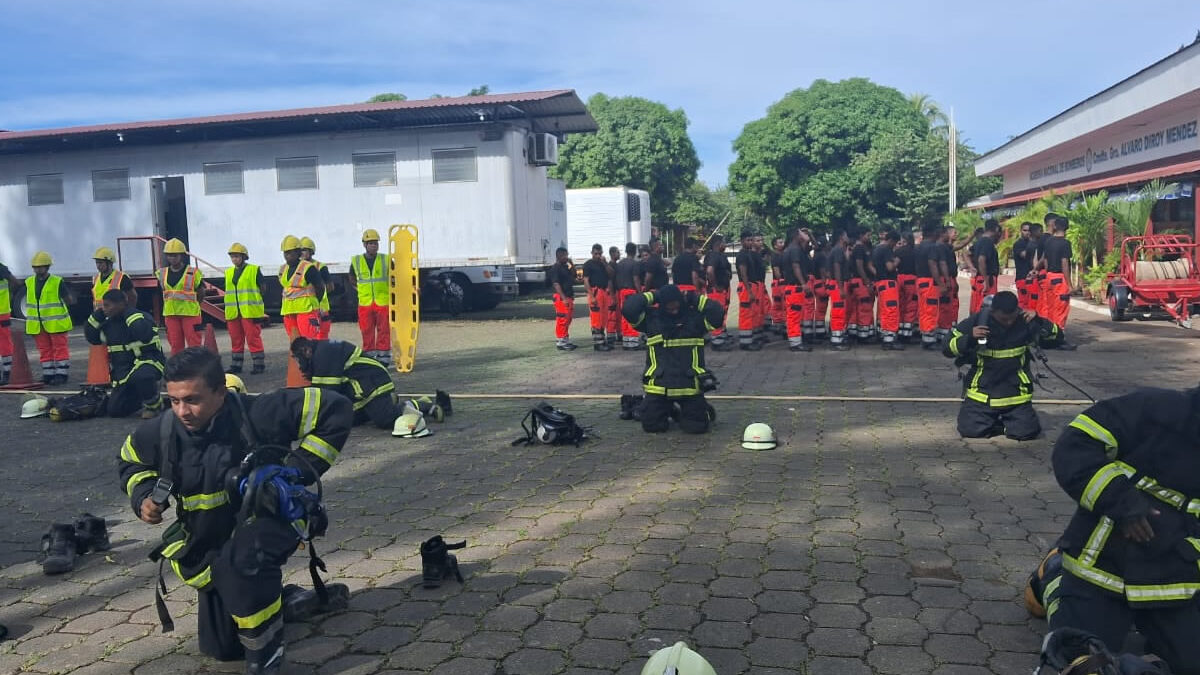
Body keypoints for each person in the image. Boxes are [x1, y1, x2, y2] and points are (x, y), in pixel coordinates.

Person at [117, 348, 352, 673]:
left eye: (193, 400)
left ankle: (266, 659)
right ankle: (284, 601)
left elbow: (336, 409)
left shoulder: (259, 413)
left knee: (239, 567)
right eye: (173, 400)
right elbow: (130, 459)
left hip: (267, 522)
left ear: (221, 393)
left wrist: (295, 470)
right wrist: (143, 496)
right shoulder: (163, 431)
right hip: (209, 541)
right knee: (223, 648)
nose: (182, 411)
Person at [1045, 384, 1200, 674]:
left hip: (1175, 581)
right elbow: (1076, 444)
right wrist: (1121, 501)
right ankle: (1051, 575)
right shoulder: (1158, 408)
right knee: (1079, 661)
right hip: (1103, 570)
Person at [943, 291, 1058, 440]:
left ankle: (1005, 424)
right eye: (1004, 319)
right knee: (970, 430)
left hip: (1016, 393)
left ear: (1017, 310)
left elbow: (1057, 337)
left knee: (1026, 432)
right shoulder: (978, 321)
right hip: (982, 392)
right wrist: (970, 338)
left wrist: (1040, 320)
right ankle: (994, 423)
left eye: (1012, 318)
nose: (1009, 322)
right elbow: (947, 348)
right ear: (993, 312)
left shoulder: (1025, 321)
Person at [621, 284, 723, 434]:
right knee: (652, 426)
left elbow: (718, 313)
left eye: (677, 306)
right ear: (662, 305)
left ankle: (703, 410)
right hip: (660, 387)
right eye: (669, 308)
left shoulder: (695, 319)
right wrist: (654, 295)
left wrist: (694, 298)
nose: (674, 311)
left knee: (696, 428)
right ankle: (669, 410)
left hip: (689, 386)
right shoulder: (651, 319)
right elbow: (629, 308)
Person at [85, 289, 164, 418]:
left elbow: (143, 334)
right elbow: (92, 338)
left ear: (121, 304)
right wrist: (96, 317)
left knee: (142, 377)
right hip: (124, 372)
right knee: (115, 411)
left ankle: (154, 405)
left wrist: (129, 313)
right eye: (103, 306)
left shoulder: (140, 317)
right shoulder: (109, 324)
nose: (104, 309)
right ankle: (140, 396)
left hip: (149, 362)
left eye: (107, 305)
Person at [291, 337, 401, 429]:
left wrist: (305, 418)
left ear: (307, 351)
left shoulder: (323, 354)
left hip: (374, 383)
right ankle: (378, 407)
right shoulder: (321, 350)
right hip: (360, 387)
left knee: (386, 420)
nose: (298, 364)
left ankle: (411, 406)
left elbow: (324, 393)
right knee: (344, 421)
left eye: (298, 359)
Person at [26, 251, 75, 385]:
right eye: (35, 267)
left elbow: (69, 300)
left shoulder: (57, 281)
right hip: (38, 323)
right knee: (44, 349)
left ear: (47, 267)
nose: (37, 269)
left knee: (59, 348)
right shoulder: (29, 282)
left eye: (40, 267)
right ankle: (48, 374)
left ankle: (61, 374)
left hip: (56, 322)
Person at [224, 243, 266, 375]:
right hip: (234, 312)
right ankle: (236, 365)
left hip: (249, 311)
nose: (234, 259)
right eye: (232, 257)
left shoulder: (254, 270)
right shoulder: (229, 272)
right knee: (236, 339)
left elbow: (263, 288)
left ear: (243, 257)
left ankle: (259, 364)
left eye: (236, 256)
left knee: (253, 338)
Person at [156, 238, 204, 355]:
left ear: (182, 255)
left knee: (194, 345)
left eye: (175, 255)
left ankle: (196, 370)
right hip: (171, 315)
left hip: (190, 314)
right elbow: (162, 292)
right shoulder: (161, 273)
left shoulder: (193, 272)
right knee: (175, 346)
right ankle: (178, 370)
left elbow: (201, 293)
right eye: (169, 255)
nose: (172, 258)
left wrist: (195, 306)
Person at [278, 235, 326, 341]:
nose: (287, 256)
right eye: (285, 253)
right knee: (295, 343)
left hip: (306, 311)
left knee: (308, 342)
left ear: (298, 252)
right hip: (289, 311)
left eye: (290, 252)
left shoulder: (308, 268)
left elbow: (320, 288)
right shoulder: (282, 269)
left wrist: (315, 303)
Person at [1042, 214, 1076, 349]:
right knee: (1061, 310)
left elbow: (1045, 259)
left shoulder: (1048, 241)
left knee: (1050, 309)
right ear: (1066, 227)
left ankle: (1049, 337)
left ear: (1055, 226)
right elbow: (1064, 263)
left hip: (1049, 276)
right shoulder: (1065, 243)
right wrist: (1069, 284)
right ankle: (1059, 339)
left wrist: (1047, 273)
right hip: (1059, 278)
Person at [782, 228, 814, 352]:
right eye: (802, 233)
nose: (804, 235)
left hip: (793, 287)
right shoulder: (794, 249)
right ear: (796, 236)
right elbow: (796, 266)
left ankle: (796, 341)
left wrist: (809, 234)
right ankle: (795, 344)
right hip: (795, 287)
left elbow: (810, 244)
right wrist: (803, 283)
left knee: (795, 315)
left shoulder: (794, 248)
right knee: (794, 316)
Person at [871, 230, 904, 350]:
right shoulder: (886, 249)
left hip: (880, 282)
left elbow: (870, 265)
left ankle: (886, 337)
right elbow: (890, 267)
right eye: (895, 243)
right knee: (891, 310)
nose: (895, 245)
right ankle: (890, 340)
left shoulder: (876, 249)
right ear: (891, 240)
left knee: (885, 311)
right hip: (888, 283)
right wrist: (897, 261)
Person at [299, 237, 333, 341]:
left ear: (311, 251)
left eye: (305, 250)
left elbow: (330, 286)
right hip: (306, 308)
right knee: (308, 338)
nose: (302, 253)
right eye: (301, 250)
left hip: (321, 307)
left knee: (322, 337)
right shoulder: (297, 267)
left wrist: (319, 295)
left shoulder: (320, 266)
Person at [704, 235, 734, 351]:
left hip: (723, 287)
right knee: (717, 313)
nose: (725, 245)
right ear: (718, 244)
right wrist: (715, 285)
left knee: (723, 311)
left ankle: (722, 334)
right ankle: (717, 341)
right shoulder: (713, 256)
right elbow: (710, 271)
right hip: (717, 289)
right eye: (724, 243)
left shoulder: (719, 255)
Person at [581, 244, 614, 352]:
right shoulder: (588, 265)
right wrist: (591, 295)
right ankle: (598, 344)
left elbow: (611, 274)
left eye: (600, 253)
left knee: (604, 317)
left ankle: (602, 341)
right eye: (596, 254)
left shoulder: (603, 264)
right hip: (595, 292)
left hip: (604, 291)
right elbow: (585, 281)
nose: (598, 256)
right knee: (596, 319)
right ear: (592, 253)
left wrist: (604, 263)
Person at [915, 224, 943, 350]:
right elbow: (932, 264)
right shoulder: (932, 247)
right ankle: (929, 340)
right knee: (930, 310)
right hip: (930, 281)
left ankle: (925, 336)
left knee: (923, 309)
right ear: (933, 233)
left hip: (920, 281)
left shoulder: (919, 247)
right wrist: (940, 283)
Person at [735, 230, 762, 351]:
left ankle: (750, 339)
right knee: (745, 314)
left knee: (751, 313)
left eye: (751, 240)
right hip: (746, 286)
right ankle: (745, 342)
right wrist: (749, 290)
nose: (750, 242)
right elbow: (743, 273)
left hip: (751, 285)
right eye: (748, 240)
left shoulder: (749, 254)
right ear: (742, 241)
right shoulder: (742, 255)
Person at [548, 247, 577, 351]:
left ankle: (565, 338)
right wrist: (563, 298)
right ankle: (560, 341)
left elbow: (574, 275)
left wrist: (571, 264)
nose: (566, 257)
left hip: (568, 296)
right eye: (565, 255)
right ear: (559, 256)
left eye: (567, 255)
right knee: (562, 319)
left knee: (568, 319)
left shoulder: (566, 267)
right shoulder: (555, 268)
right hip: (561, 297)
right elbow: (556, 284)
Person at [827, 230, 851, 351]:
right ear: (841, 237)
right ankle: (836, 341)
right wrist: (840, 288)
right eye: (846, 235)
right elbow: (837, 269)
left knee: (841, 311)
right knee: (838, 312)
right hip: (838, 285)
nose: (848, 237)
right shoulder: (837, 250)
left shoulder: (840, 250)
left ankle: (839, 337)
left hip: (839, 284)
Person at [970, 219, 1001, 314]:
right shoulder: (987, 242)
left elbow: (966, 253)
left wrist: (971, 267)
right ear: (996, 229)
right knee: (987, 307)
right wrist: (986, 281)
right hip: (987, 278)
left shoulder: (979, 241)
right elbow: (981, 260)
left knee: (978, 307)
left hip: (980, 279)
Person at [615, 242, 642, 350]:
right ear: (635, 251)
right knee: (633, 315)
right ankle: (633, 342)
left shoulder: (620, 263)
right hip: (631, 291)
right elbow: (636, 279)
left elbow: (616, 279)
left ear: (626, 251)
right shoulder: (635, 264)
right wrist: (640, 292)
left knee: (624, 316)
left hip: (622, 291)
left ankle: (626, 340)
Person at [935, 226, 959, 342]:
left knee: (949, 306)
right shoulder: (941, 247)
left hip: (947, 279)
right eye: (954, 232)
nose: (956, 234)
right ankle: (944, 333)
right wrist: (947, 281)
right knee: (945, 307)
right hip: (945, 279)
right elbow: (942, 264)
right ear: (944, 234)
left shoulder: (945, 247)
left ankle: (945, 331)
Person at [0, 259, 21, 385]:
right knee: (5, 343)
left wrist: (8, 296)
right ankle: (8, 373)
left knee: (5, 344)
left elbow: (15, 282)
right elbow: (14, 282)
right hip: (2, 311)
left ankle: (8, 373)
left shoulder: (0, 268)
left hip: (2, 313)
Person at [895, 232, 918, 342]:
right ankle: (907, 333)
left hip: (899, 278)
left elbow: (895, 265)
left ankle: (898, 330)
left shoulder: (898, 251)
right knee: (911, 306)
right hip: (911, 280)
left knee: (900, 304)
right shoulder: (915, 251)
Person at [1012, 222, 1036, 311]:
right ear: (1021, 231)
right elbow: (1024, 255)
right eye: (1025, 230)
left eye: (1029, 231)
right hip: (1022, 278)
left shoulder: (1032, 243)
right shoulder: (1019, 244)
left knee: (1032, 303)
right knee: (1023, 303)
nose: (1027, 233)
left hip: (1031, 278)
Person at [768, 236, 788, 335]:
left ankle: (781, 324)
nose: (782, 244)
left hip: (781, 282)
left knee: (782, 305)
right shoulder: (775, 256)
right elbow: (777, 272)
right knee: (779, 304)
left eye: (783, 242)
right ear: (775, 246)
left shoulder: (784, 254)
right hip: (779, 283)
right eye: (780, 242)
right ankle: (778, 324)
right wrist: (782, 279)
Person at [606, 246, 622, 347]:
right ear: (612, 254)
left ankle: (619, 333)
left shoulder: (617, 265)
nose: (619, 254)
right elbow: (610, 281)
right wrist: (612, 296)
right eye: (617, 252)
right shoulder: (610, 266)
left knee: (619, 314)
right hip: (613, 292)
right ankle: (610, 335)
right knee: (612, 315)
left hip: (617, 291)